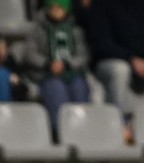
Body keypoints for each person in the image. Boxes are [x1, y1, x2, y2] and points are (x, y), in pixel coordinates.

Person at [23, 0, 92, 130]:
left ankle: (82, 128)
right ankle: (59, 128)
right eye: (52, 7)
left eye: (59, 8)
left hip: (72, 72)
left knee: (79, 87)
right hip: (46, 73)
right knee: (56, 88)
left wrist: (67, 64)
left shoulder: (76, 30)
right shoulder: (37, 30)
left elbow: (83, 55)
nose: (56, 11)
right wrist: (47, 63)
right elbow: (29, 53)